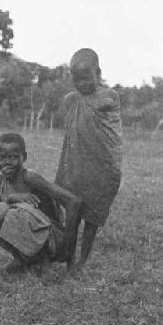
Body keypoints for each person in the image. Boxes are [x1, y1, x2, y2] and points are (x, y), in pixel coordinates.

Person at [55, 48, 122, 268]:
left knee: (92, 216)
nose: (82, 84)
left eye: (87, 78)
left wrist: (80, 97)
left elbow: (99, 105)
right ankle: (69, 260)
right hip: (76, 166)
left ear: (98, 72)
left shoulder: (109, 96)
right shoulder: (71, 99)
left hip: (103, 167)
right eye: (77, 79)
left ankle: (82, 261)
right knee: (73, 213)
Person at [0, 133, 81, 273]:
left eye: (13, 157)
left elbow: (73, 202)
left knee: (19, 212)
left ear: (24, 157)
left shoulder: (29, 177)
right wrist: (12, 198)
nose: (7, 162)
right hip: (33, 236)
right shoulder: (1, 180)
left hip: (51, 239)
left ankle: (44, 263)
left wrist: (68, 251)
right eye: (2, 158)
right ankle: (22, 260)